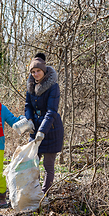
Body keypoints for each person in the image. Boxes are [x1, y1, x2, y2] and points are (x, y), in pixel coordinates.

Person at [25, 53, 64, 195]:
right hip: (34, 128)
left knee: (48, 166)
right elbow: (28, 105)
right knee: (32, 164)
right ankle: (32, 193)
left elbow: (52, 111)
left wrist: (42, 131)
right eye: (33, 72)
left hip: (52, 129)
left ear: (44, 71)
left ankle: (43, 196)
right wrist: (29, 120)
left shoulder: (53, 86)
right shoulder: (30, 86)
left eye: (38, 71)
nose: (35, 74)